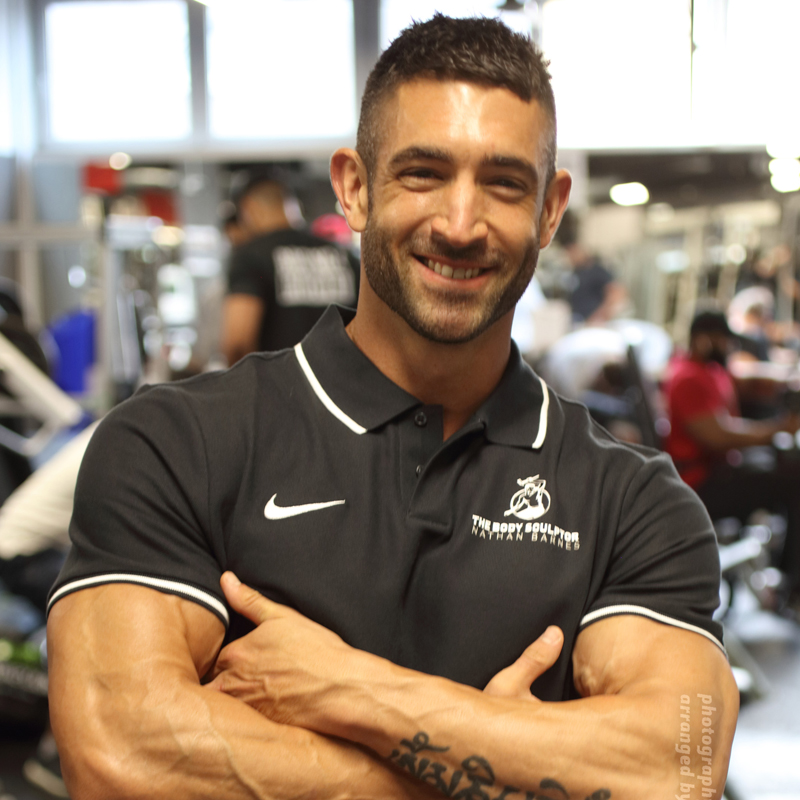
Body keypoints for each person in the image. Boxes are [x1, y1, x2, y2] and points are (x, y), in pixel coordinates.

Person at [47, 15, 737, 799]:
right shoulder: (175, 443)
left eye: (505, 184)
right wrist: (499, 768)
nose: (459, 224)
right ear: (355, 187)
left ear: (550, 210)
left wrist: (348, 690)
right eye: (423, 174)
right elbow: (121, 758)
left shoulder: (636, 502)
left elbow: (682, 768)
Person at [664, 309, 800, 600]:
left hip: (720, 469)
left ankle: (785, 570)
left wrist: (785, 377)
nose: (729, 347)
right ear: (703, 340)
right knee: (792, 481)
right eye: (723, 340)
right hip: (699, 483)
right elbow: (718, 438)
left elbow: (748, 377)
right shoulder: (687, 377)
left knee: (786, 466)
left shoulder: (711, 371)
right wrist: (778, 429)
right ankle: (792, 585)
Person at [221, 174, 359, 364]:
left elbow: (237, 343)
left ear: (250, 208)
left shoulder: (251, 256)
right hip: (343, 378)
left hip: (280, 381)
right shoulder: (345, 256)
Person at [555, 209, 628, 325]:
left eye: (572, 252)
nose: (569, 257)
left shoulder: (596, 270)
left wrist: (600, 317)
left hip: (593, 326)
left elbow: (617, 293)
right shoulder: (574, 272)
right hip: (577, 323)